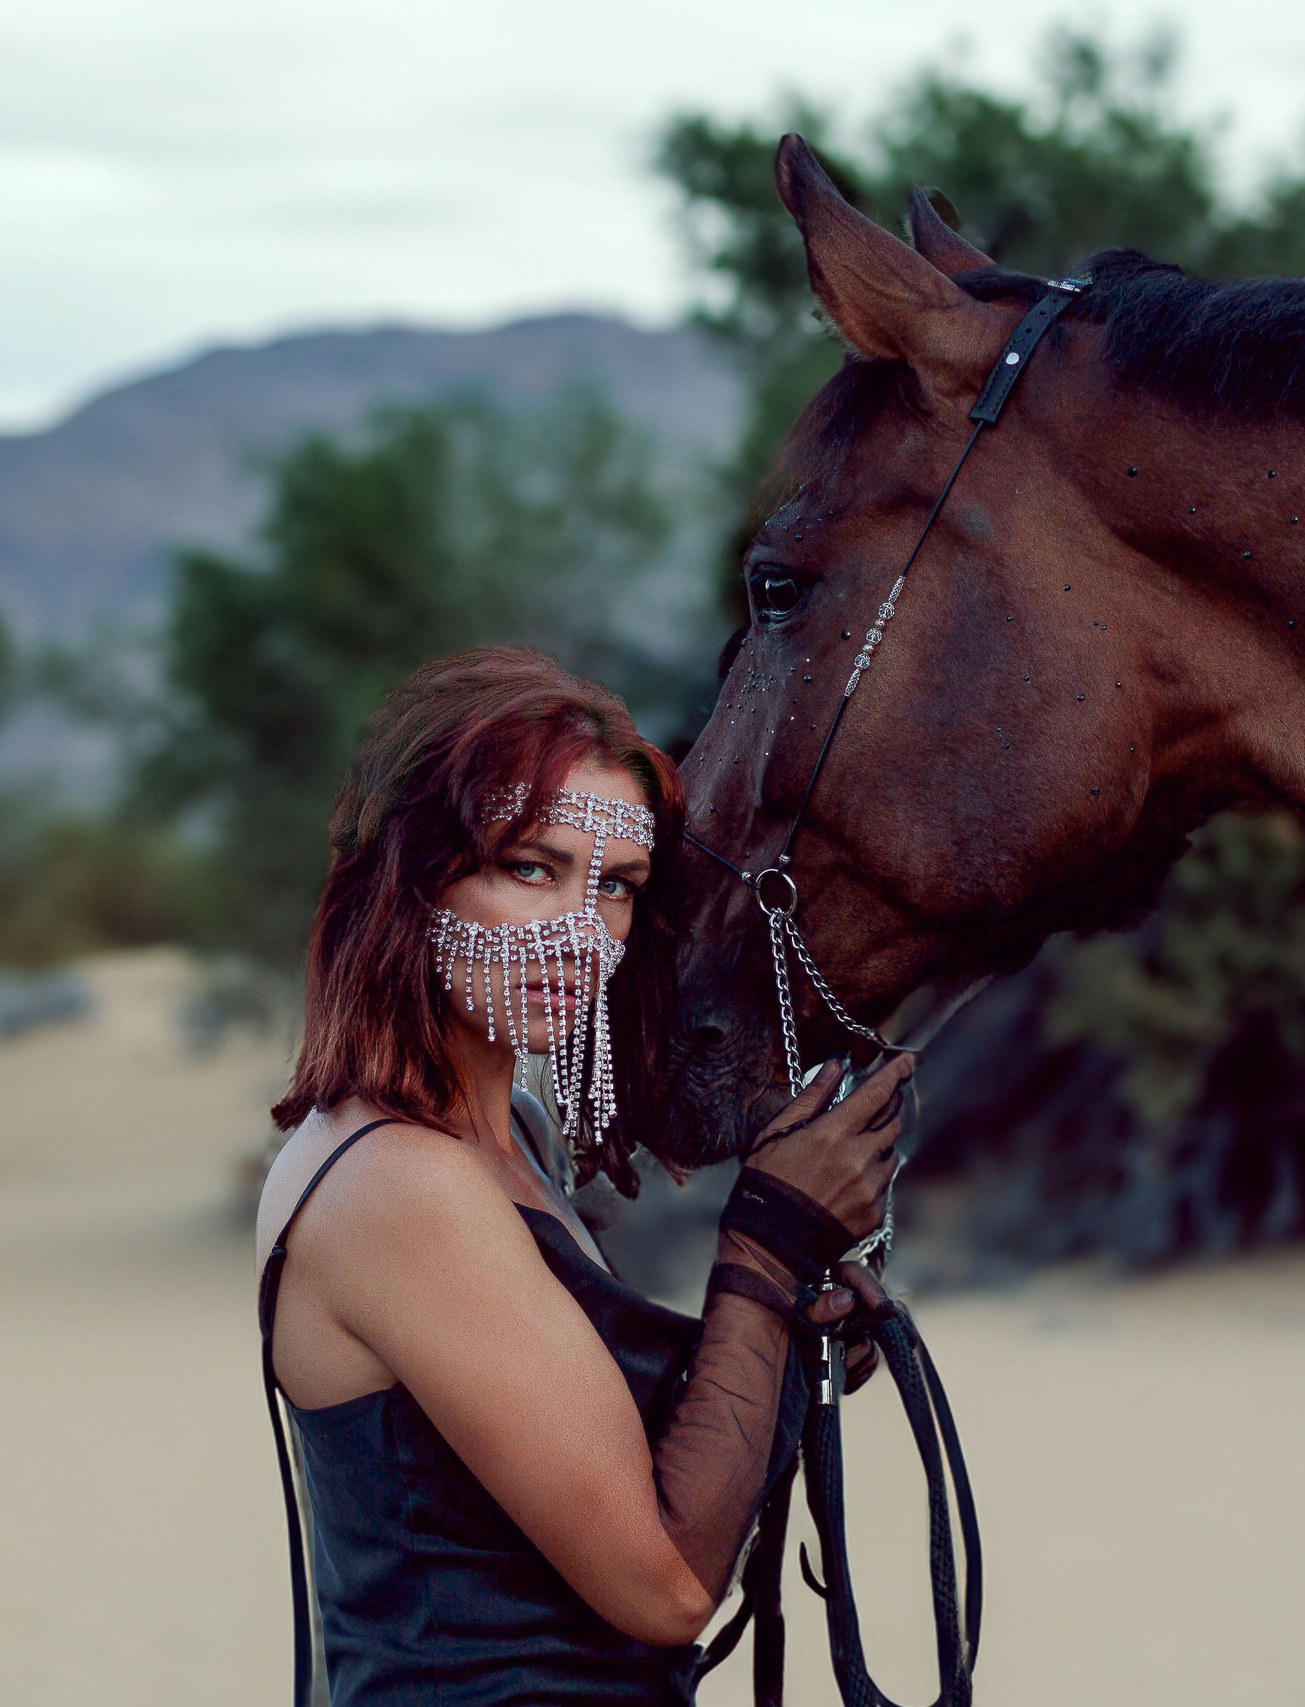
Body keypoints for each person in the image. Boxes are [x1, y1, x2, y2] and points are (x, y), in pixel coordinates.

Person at [254, 647, 908, 1705]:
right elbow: (665, 1589)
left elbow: (596, 1462)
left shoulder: (500, 1136)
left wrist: (785, 1332)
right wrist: (767, 1243)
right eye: (529, 867)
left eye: (616, 885)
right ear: (411, 876)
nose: (581, 927)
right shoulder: (401, 1183)